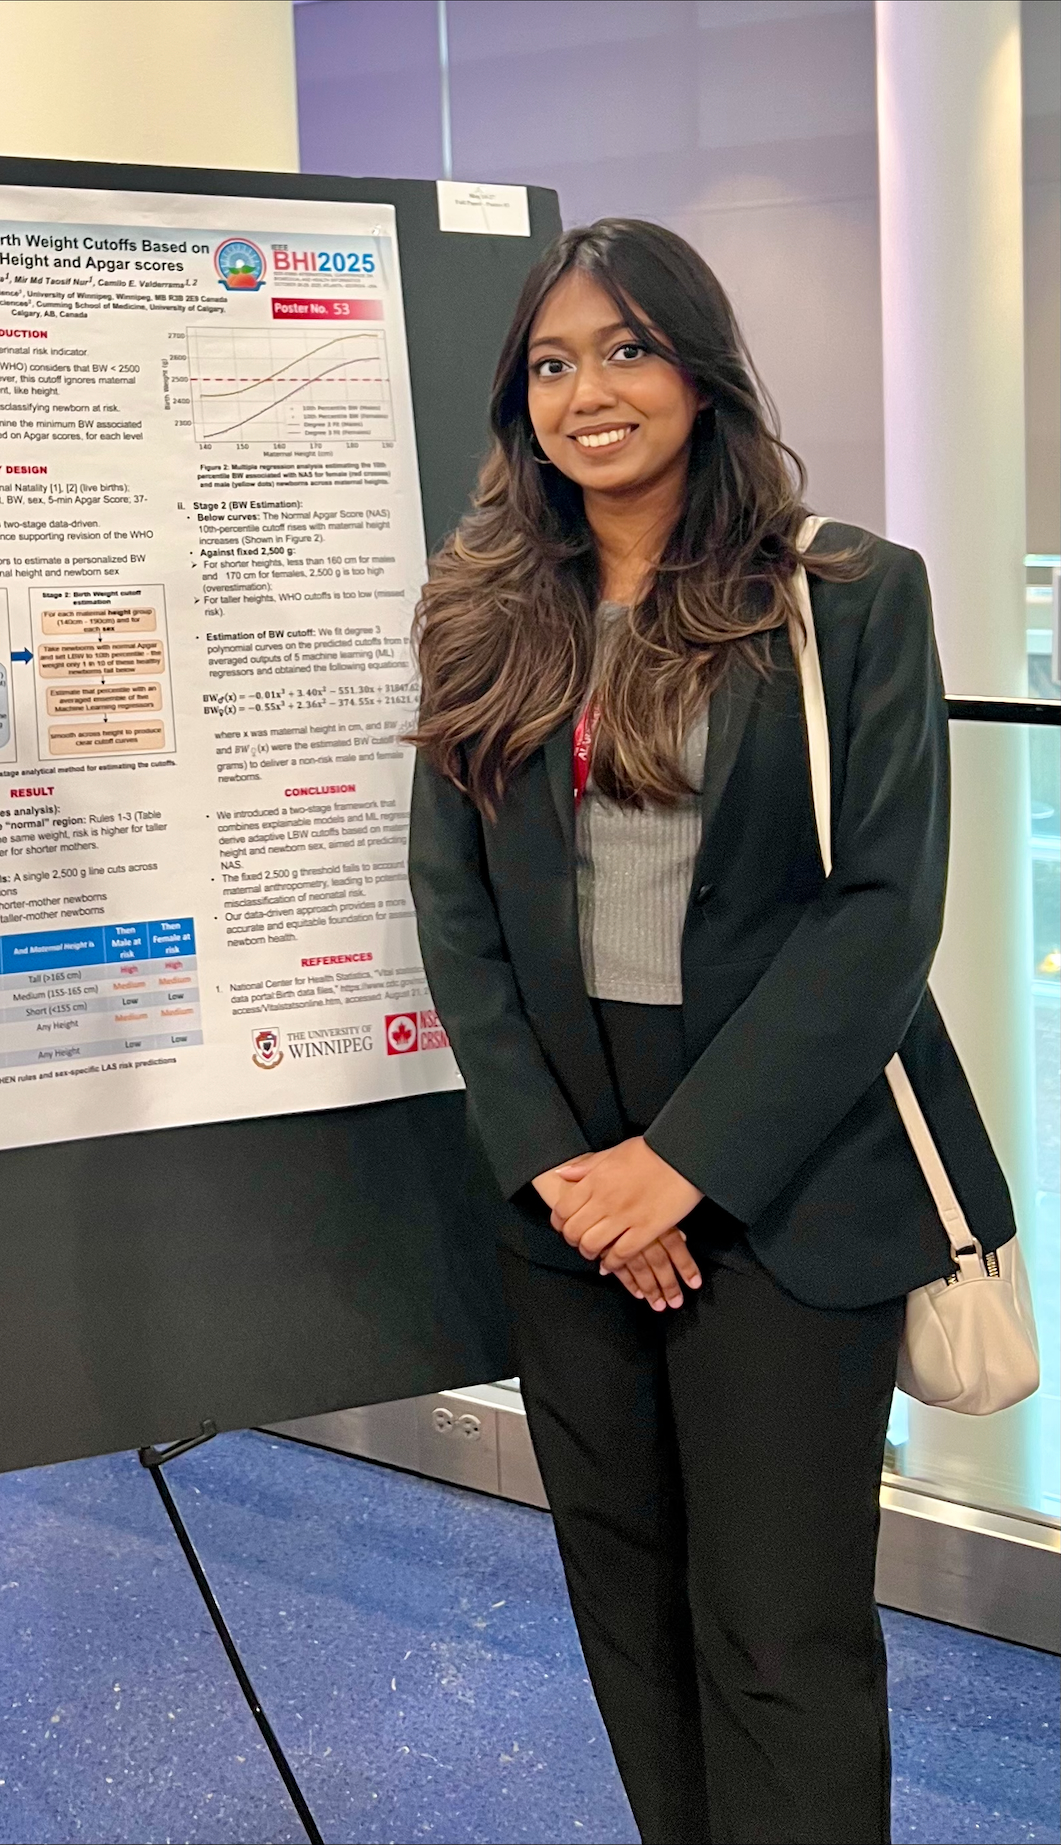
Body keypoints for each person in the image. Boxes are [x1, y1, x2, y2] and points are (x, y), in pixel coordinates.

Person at [405, 218, 1013, 1844]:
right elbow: (455, 915)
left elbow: (882, 909)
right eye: (550, 361)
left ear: (698, 366)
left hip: (781, 1169)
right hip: (566, 1192)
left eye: (624, 349)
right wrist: (563, 1170)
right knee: (631, 1610)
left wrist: (678, 1166)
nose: (586, 390)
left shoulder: (845, 595)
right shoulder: (480, 608)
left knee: (778, 1625)